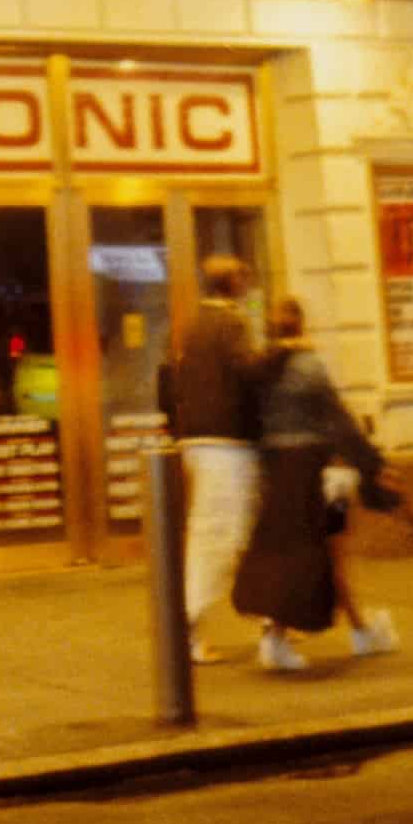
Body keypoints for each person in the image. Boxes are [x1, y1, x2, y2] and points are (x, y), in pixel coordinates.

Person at [235, 293, 402, 674]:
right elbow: (338, 420)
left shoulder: (261, 368)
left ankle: (348, 632)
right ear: (302, 324)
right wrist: (373, 464)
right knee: (317, 554)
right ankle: (295, 638)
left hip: (275, 470)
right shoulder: (308, 366)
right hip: (313, 468)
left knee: (299, 553)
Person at [158, 253, 268, 661]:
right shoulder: (230, 323)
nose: (248, 283)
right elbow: (249, 375)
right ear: (233, 283)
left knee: (240, 532)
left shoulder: (193, 325)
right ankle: (187, 626)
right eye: (244, 277)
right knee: (218, 536)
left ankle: (269, 617)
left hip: (199, 442)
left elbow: (171, 381)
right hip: (226, 445)